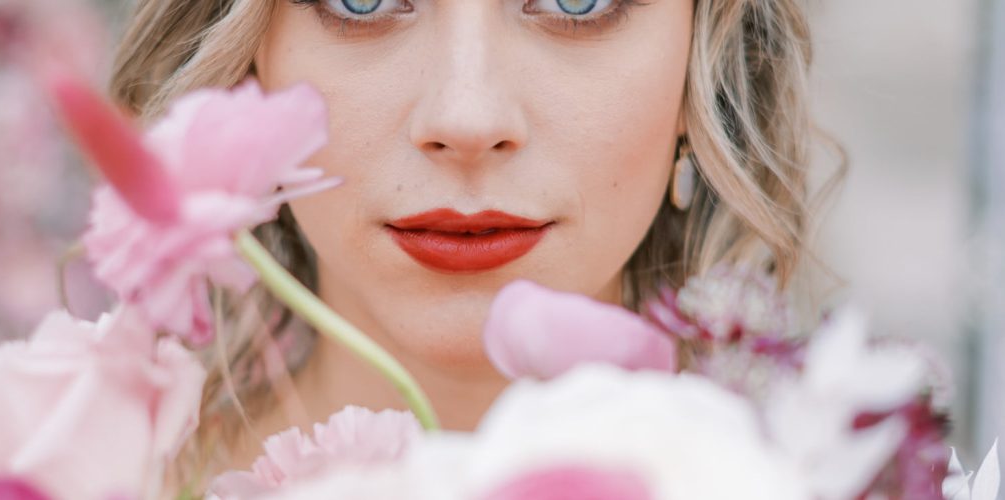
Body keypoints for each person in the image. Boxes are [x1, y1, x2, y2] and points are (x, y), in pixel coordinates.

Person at [109, 0, 824, 490]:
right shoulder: (66, 473)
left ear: (703, 57)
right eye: (364, 0)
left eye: (576, 1)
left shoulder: (850, 480)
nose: (467, 117)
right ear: (248, 55)